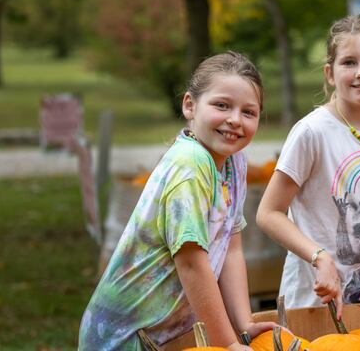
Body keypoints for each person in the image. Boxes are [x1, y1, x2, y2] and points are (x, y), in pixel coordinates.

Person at [79, 52, 277, 350]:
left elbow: (231, 244)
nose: (235, 120)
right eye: (222, 105)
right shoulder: (190, 166)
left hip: (169, 336)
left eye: (248, 112)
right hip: (125, 338)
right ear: (190, 105)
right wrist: (228, 344)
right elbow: (191, 263)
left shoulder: (235, 162)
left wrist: (244, 324)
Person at [256, 14, 360, 317]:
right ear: (330, 73)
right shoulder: (312, 132)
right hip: (309, 305)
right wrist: (320, 258)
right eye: (349, 63)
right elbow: (268, 214)